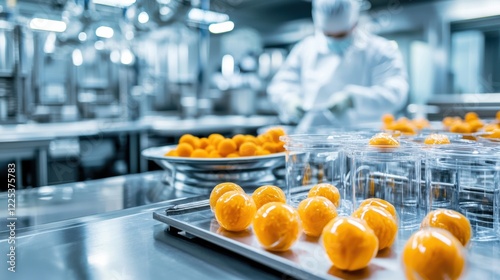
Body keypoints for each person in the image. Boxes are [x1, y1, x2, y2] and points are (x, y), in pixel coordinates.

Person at [267, 0, 409, 131]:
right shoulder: (305, 49)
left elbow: (395, 93)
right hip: (312, 138)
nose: (334, 39)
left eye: (341, 35)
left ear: (355, 23)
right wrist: (289, 101)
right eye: (328, 34)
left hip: (363, 141)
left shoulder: (380, 50)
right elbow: (279, 86)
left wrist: (353, 99)